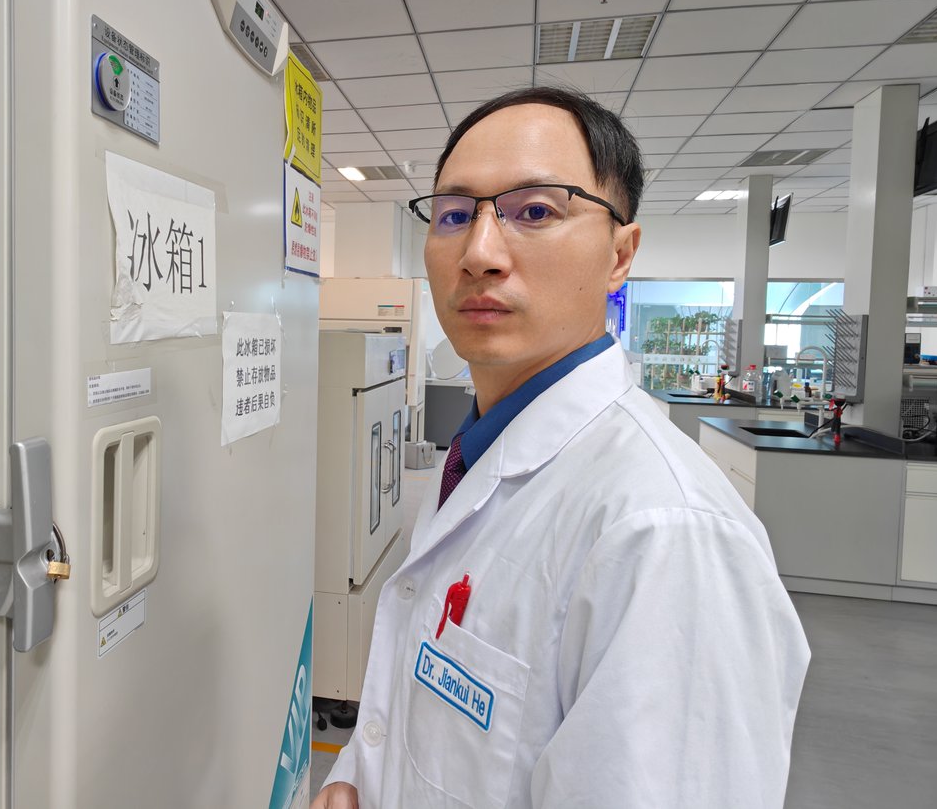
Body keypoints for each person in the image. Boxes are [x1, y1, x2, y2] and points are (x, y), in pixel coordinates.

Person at [311, 86, 811, 809]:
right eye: (454, 215)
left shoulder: (664, 534)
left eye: (536, 211)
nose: (479, 253)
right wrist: (357, 774)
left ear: (620, 254)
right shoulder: (481, 452)